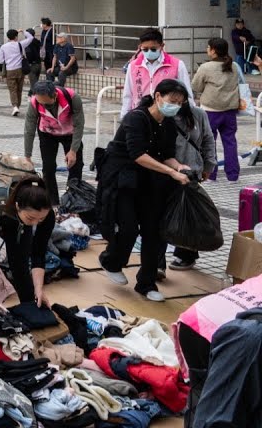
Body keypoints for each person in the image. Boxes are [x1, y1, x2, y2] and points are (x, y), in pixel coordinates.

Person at [97, 79, 193, 302]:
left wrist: (179, 166)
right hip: (122, 178)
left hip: (150, 181)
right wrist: (171, 173)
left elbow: (167, 155)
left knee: (154, 231)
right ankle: (111, 261)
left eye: (180, 102)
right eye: (172, 100)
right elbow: (138, 154)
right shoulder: (136, 118)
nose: (176, 106)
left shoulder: (168, 124)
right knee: (128, 227)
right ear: (158, 96)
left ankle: (146, 283)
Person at [0, 177, 56, 308]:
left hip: (16, 218)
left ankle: (30, 308)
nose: (35, 224)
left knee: (20, 263)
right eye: (31, 218)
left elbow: (38, 253)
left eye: (41, 219)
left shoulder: (46, 216)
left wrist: (38, 289)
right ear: (17, 206)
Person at [168, 98, 217, 273]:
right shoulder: (161, 115)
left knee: (189, 213)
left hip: (191, 171)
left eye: (178, 98)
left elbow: (208, 140)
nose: (173, 102)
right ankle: (157, 262)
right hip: (164, 171)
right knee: (159, 214)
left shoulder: (198, 114)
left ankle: (186, 254)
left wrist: (209, 165)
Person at [25, 80, 85, 205]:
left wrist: (73, 151)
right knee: (48, 167)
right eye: (41, 103)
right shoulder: (35, 102)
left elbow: (79, 124)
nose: (44, 106)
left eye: (47, 104)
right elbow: (29, 128)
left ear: (55, 96)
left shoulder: (72, 97)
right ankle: (53, 203)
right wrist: (27, 156)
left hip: (70, 133)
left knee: (75, 165)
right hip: (47, 133)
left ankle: (73, 200)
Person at [193, 37, 242, 185]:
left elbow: (196, 87)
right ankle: (233, 176)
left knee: (209, 142)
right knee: (230, 142)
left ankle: (211, 174)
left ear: (213, 50)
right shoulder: (234, 66)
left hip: (210, 110)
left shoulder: (206, 67)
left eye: (208, 48)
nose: (207, 50)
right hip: (230, 110)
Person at [121, 28, 195, 113]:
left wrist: (190, 115)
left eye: (153, 49)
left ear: (162, 46)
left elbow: (187, 94)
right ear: (140, 47)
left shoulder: (177, 65)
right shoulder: (133, 66)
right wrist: (124, 117)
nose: (149, 52)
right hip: (141, 115)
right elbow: (128, 96)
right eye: (145, 49)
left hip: (168, 115)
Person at [0, 29, 36, 116]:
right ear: (16, 37)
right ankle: (17, 106)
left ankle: (15, 106)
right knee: (19, 89)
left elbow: (0, 60)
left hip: (10, 70)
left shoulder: (3, 47)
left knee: (12, 89)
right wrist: (23, 31)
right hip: (20, 70)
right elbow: (30, 38)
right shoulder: (20, 44)